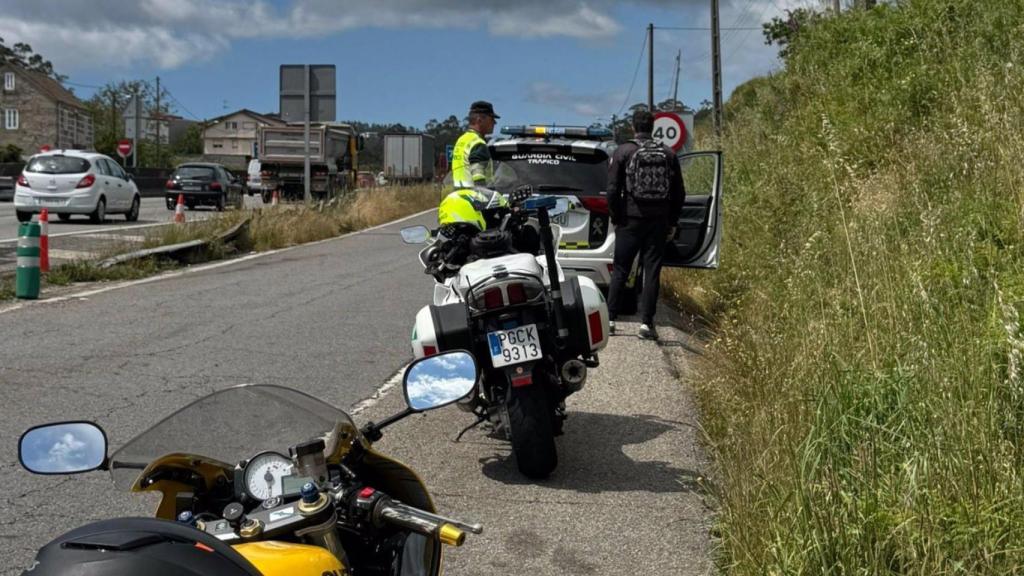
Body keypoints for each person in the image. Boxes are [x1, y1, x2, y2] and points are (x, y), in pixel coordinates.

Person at [606, 110, 685, 341]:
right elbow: (680, 192)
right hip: (658, 221)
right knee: (651, 272)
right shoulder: (668, 153)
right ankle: (647, 324)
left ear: (633, 126)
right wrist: (672, 220)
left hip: (629, 219)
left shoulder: (623, 151)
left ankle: (610, 320)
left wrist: (616, 216)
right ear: (653, 127)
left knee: (621, 268)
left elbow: (612, 189)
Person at [438, 101, 507, 235]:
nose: (495, 123)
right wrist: (494, 202)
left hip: (459, 201)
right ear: (480, 119)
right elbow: (479, 178)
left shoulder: (462, 140)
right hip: (476, 204)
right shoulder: (478, 143)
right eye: (492, 119)